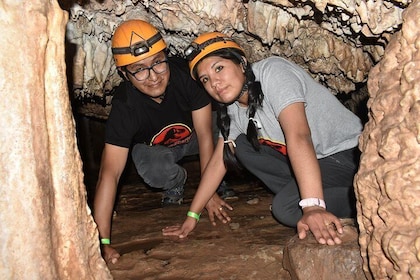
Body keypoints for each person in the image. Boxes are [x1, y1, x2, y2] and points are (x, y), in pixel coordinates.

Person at [162, 32, 363, 245]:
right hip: (320, 163)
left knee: (284, 210)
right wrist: (192, 216)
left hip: (346, 155)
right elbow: (216, 163)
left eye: (219, 68)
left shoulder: (272, 73)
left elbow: (299, 136)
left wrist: (312, 206)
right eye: (206, 79)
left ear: (241, 63)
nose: (215, 83)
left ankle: (362, 197)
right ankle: (310, 195)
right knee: (241, 147)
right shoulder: (232, 110)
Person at [93, 21, 234, 264]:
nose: (153, 76)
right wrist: (101, 242)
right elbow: (110, 174)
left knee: (225, 125)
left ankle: (218, 180)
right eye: (139, 69)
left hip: (193, 139)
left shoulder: (186, 77)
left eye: (158, 63)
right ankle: (175, 182)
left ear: (166, 57)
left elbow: (203, 135)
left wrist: (208, 192)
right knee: (152, 167)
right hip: (157, 150)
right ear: (124, 74)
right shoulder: (125, 106)